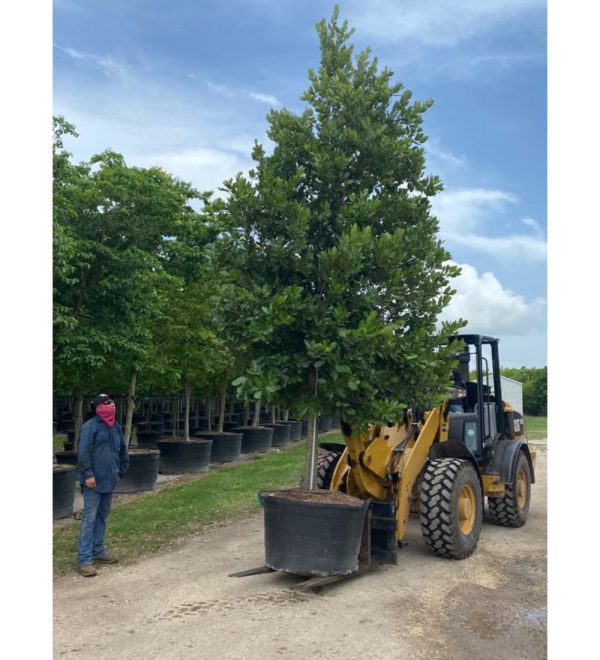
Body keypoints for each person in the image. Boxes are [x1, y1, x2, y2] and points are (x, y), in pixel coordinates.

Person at [76, 394, 129, 577]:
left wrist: (122, 469)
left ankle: (99, 550)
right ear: (98, 407)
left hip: (109, 480)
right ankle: (84, 560)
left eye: (112, 402)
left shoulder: (116, 427)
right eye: (106, 403)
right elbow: (83, 452)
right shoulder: (90, 427)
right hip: (93, 482)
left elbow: (122, 449)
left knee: (102, 516)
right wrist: (88, 474)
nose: (111, 405)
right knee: (89, 519)